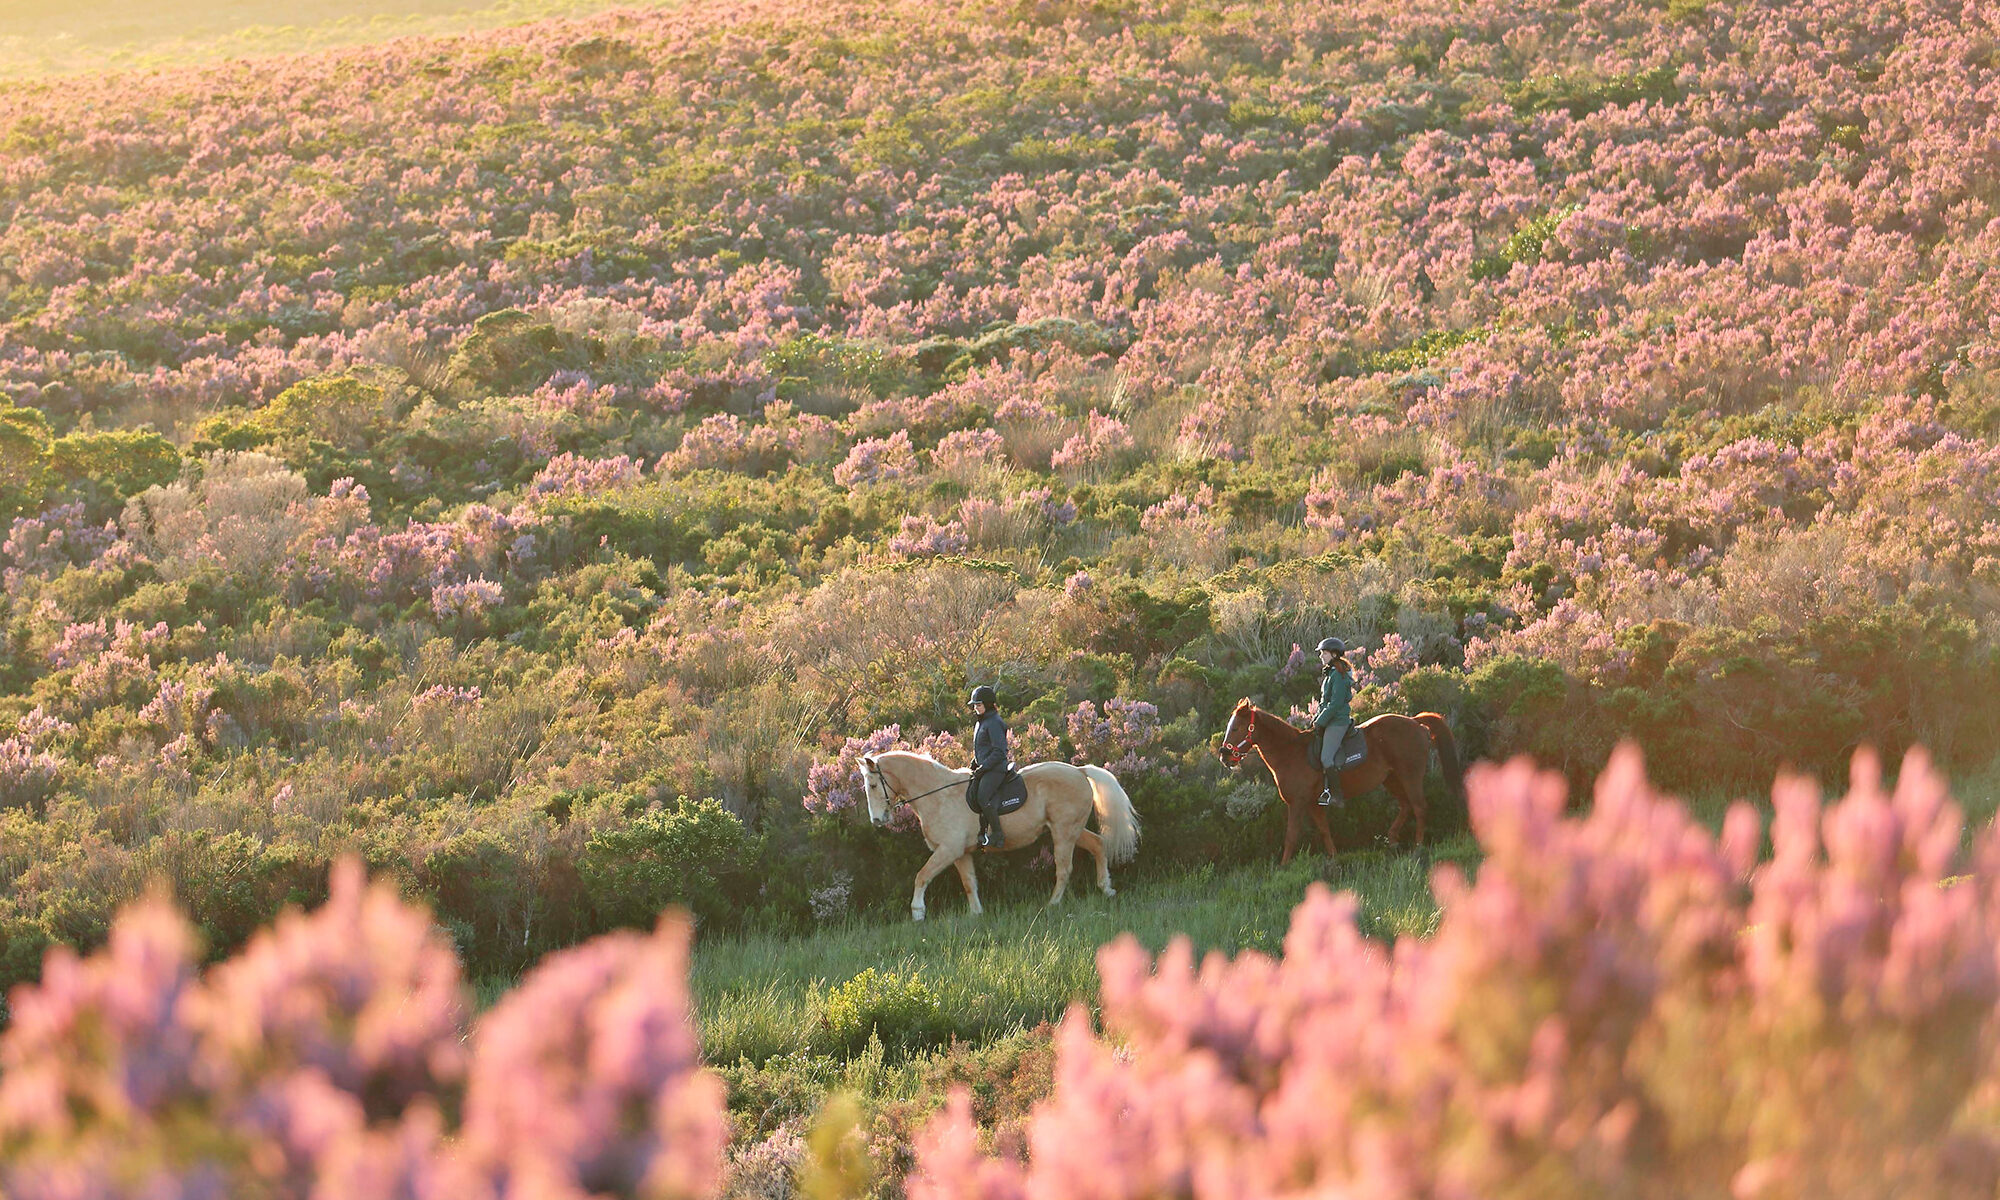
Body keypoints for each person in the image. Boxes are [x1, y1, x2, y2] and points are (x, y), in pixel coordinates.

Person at [1311, 637, 1354, 806]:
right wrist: (1316, 719)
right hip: (1329, 719)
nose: (1321, 656)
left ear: (1334, 654)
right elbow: (1324, 703)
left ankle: (1336, 796)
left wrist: (1321, 722)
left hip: (1338, 722)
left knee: (1326, 758)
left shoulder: (1338, 674)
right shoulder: (1331, 673)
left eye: (1324, 653)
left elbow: (1335, 704)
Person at [968, 684, 1010, 849]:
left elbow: (999, 751)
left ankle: (998, 834)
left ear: (987, 704)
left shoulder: (994, 722)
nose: (976, 708)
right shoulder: (982, 722)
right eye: (975, 705)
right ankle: (980, 831)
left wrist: (983, 768)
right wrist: (975, 761)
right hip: (986, 767)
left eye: (978, 705)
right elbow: (983, 747)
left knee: (983, 797)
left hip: (996, 768)